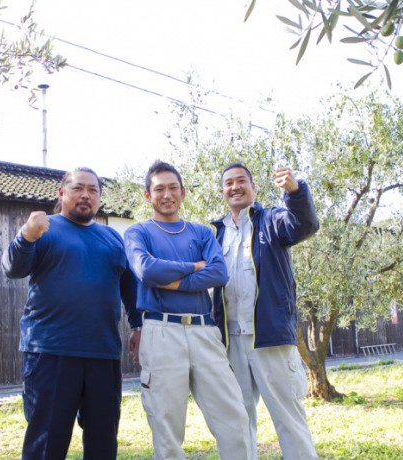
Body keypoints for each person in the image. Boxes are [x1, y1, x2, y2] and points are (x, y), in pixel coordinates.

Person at [1, 167, 141, 460]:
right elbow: (13, 268)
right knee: (47, 443)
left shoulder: (113, 239)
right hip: (51, 352)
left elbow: (130, 288)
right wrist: (26, 235)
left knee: (103, 442)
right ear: (61, 193)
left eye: (93, 190)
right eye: (78, 188)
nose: (86, 195)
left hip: (102, 354)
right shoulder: (44, 229)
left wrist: (138, 326)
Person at [124, 160, 252, 460]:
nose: (166, 195)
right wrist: (194, 267)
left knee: (234, 416)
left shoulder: (202, 233)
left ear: (183, 192)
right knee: (166, 425)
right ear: (147, 196)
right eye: (159, 189)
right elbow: (147, 270)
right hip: (161, 332)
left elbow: (219, 273)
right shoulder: (137, 233)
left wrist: (171, 282)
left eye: (172, 188)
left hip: (205, 332)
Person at [212, 163, 320, 459]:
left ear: (253, 186)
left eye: (241, 181)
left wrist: (295, 192)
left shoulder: (272, 221)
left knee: (288, 417)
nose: (235, 187)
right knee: (237, 420)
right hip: (231, 343)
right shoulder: (216, 234)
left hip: (269, 340)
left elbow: (305, 225)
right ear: (222, 191)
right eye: (228, 183)